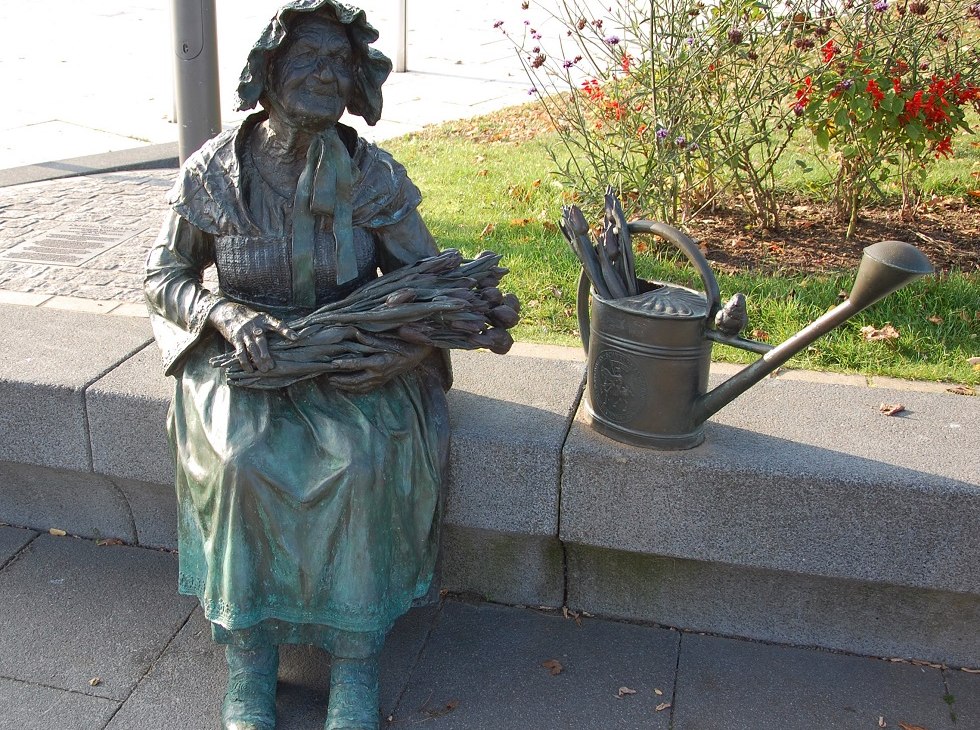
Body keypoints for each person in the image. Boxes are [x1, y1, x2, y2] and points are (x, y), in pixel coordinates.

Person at [144, 3, 450, 728]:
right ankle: (249, 662)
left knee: (363, 461)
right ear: (270, 71)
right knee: (239, 459)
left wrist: (397, 349)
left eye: (340, 63)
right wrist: (224, 313)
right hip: (245, 356)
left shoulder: (373, 176)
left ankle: (355, 662)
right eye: (308, 57)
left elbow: (430, 278)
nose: (326, 73)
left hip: (349, 358)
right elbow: (164, 275)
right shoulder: (214, 172)